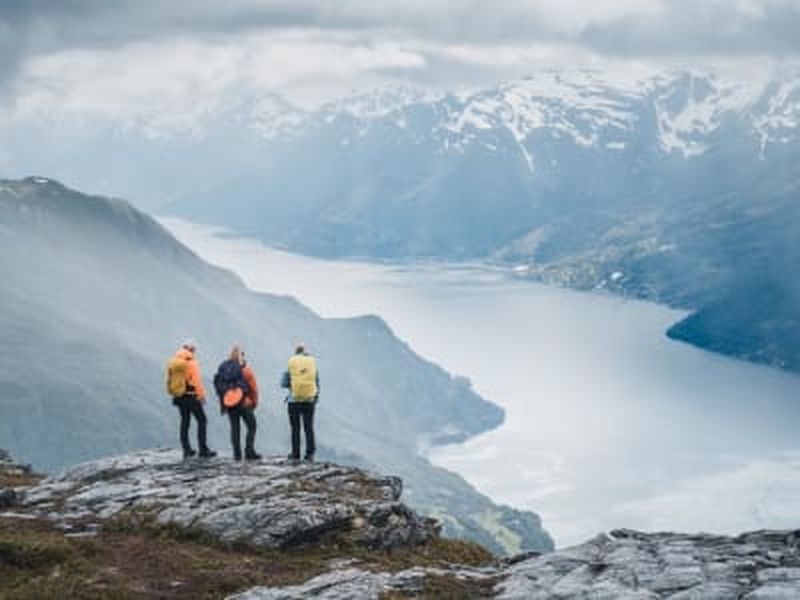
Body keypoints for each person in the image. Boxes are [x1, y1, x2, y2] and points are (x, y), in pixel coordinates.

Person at [166, 339, 217, 459]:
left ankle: (186, 449)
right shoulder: (191, 362)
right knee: (202, 420)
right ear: (192, 349)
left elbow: (169, 379)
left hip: (179, 397)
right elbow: (197, 382)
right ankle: (203, 450)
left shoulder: (173, 361)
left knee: (185, 421)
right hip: (191, 396)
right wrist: (201, 396)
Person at [214, 346, 260, 461]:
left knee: (235, 428)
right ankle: (249, 451)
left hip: (230, 403)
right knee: (252, 426)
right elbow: (254, 389)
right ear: (241, 356)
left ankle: (237, 454)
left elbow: (219, 386)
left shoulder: (224, 369)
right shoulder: (246, 370)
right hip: (244, 403)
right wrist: (254, 403)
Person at [281, 343, 319, 462]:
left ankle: (295, 453)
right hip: (309, 401)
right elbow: (316, 382)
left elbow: (283, 383)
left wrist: (293, 384)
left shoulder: (292, 364)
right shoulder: (311, 364)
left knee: (295, 428)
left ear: (295, 352)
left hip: (294, 401)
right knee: (309, 427)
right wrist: (315, 397)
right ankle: (309, 454)